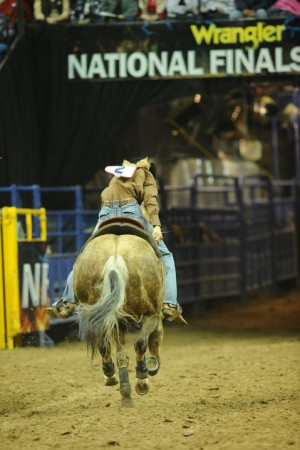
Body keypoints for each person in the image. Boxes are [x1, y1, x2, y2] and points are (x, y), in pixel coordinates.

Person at [49, 156, 186, 324]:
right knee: (166, 256)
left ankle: (67, 302)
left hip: (106, 212)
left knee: (83, 256)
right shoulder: (146, 174)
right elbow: (150, 200)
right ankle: (170, 303)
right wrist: (156, 226)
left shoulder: (117, 174)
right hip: (131, 211)